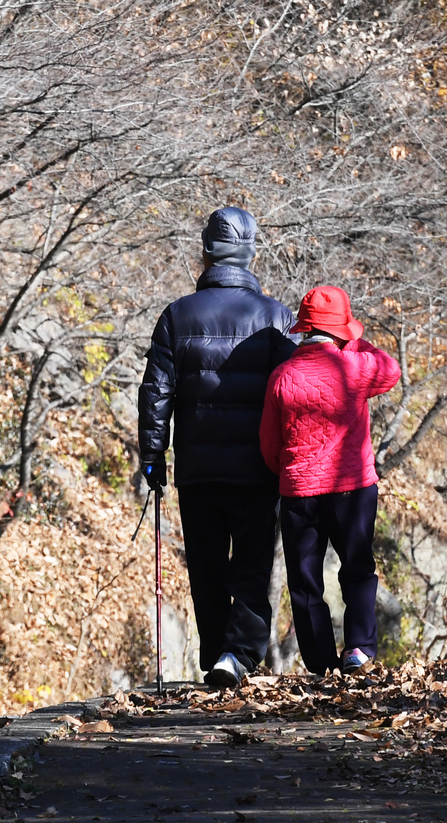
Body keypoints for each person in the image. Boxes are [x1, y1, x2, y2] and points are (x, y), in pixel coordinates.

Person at [138, 206, 296, 688]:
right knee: (251, 562)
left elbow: (156, 392)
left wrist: (152, 456)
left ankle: (215, 654)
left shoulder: (177, 315)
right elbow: (293, 394)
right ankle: (238, 655)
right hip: (257, 467)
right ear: (250, 255)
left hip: (198, 467)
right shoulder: (275, 317)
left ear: (206, 253)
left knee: (206, 564)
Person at [259, 285, 401, 675]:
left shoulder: (282, 376)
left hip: (299, 493)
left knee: (305, 583)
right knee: (357, 568)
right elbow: (390, 369)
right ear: (341, 329)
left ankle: (321, 664)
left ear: (303, 330)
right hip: (352, 489)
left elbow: (269, 446)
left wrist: (288, 471)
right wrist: (354, 342)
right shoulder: (354, 368)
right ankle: (359, 650)